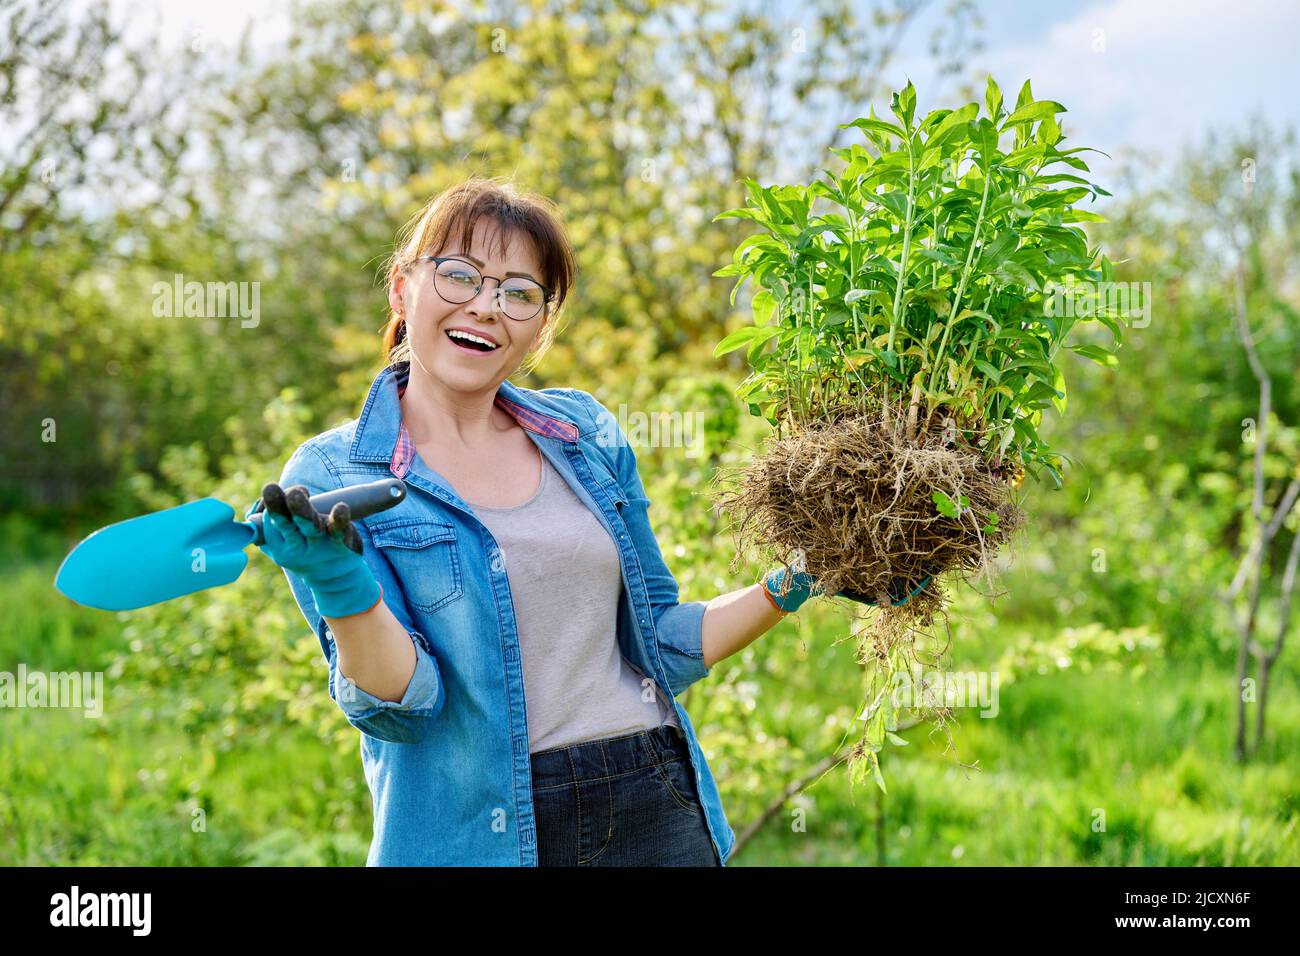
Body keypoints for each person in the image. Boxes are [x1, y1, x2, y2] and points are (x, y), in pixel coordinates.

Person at [247, 176, 928, 867]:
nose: (486, 307)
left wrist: (804, 577)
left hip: (655, 801)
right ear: (402, 288)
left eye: (519, 293)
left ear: (542, 323)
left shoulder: (583, 434)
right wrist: (340, 582)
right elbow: (404, 705)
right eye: (459, 276)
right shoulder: (334, 478)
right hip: (483, 833)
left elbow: (660, 645)